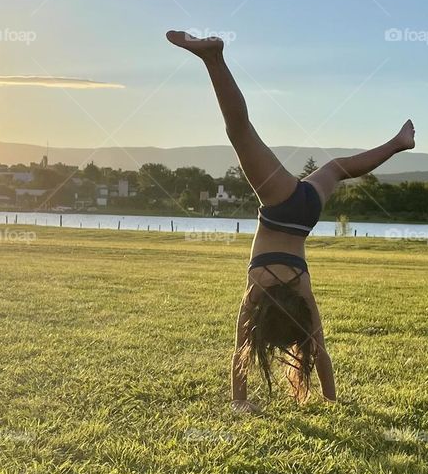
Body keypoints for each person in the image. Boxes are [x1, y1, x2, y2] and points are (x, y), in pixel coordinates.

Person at [167, 30, 415, 412]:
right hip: (281, 204)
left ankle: (398, 143)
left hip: (305, 215)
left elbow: (320, 355)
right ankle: (212, 58)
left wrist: (333, 401)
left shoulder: (303, 294)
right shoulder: (256, 291)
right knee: (239, 132)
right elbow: (241, 351)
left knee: (338, 168)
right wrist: (239, 401)